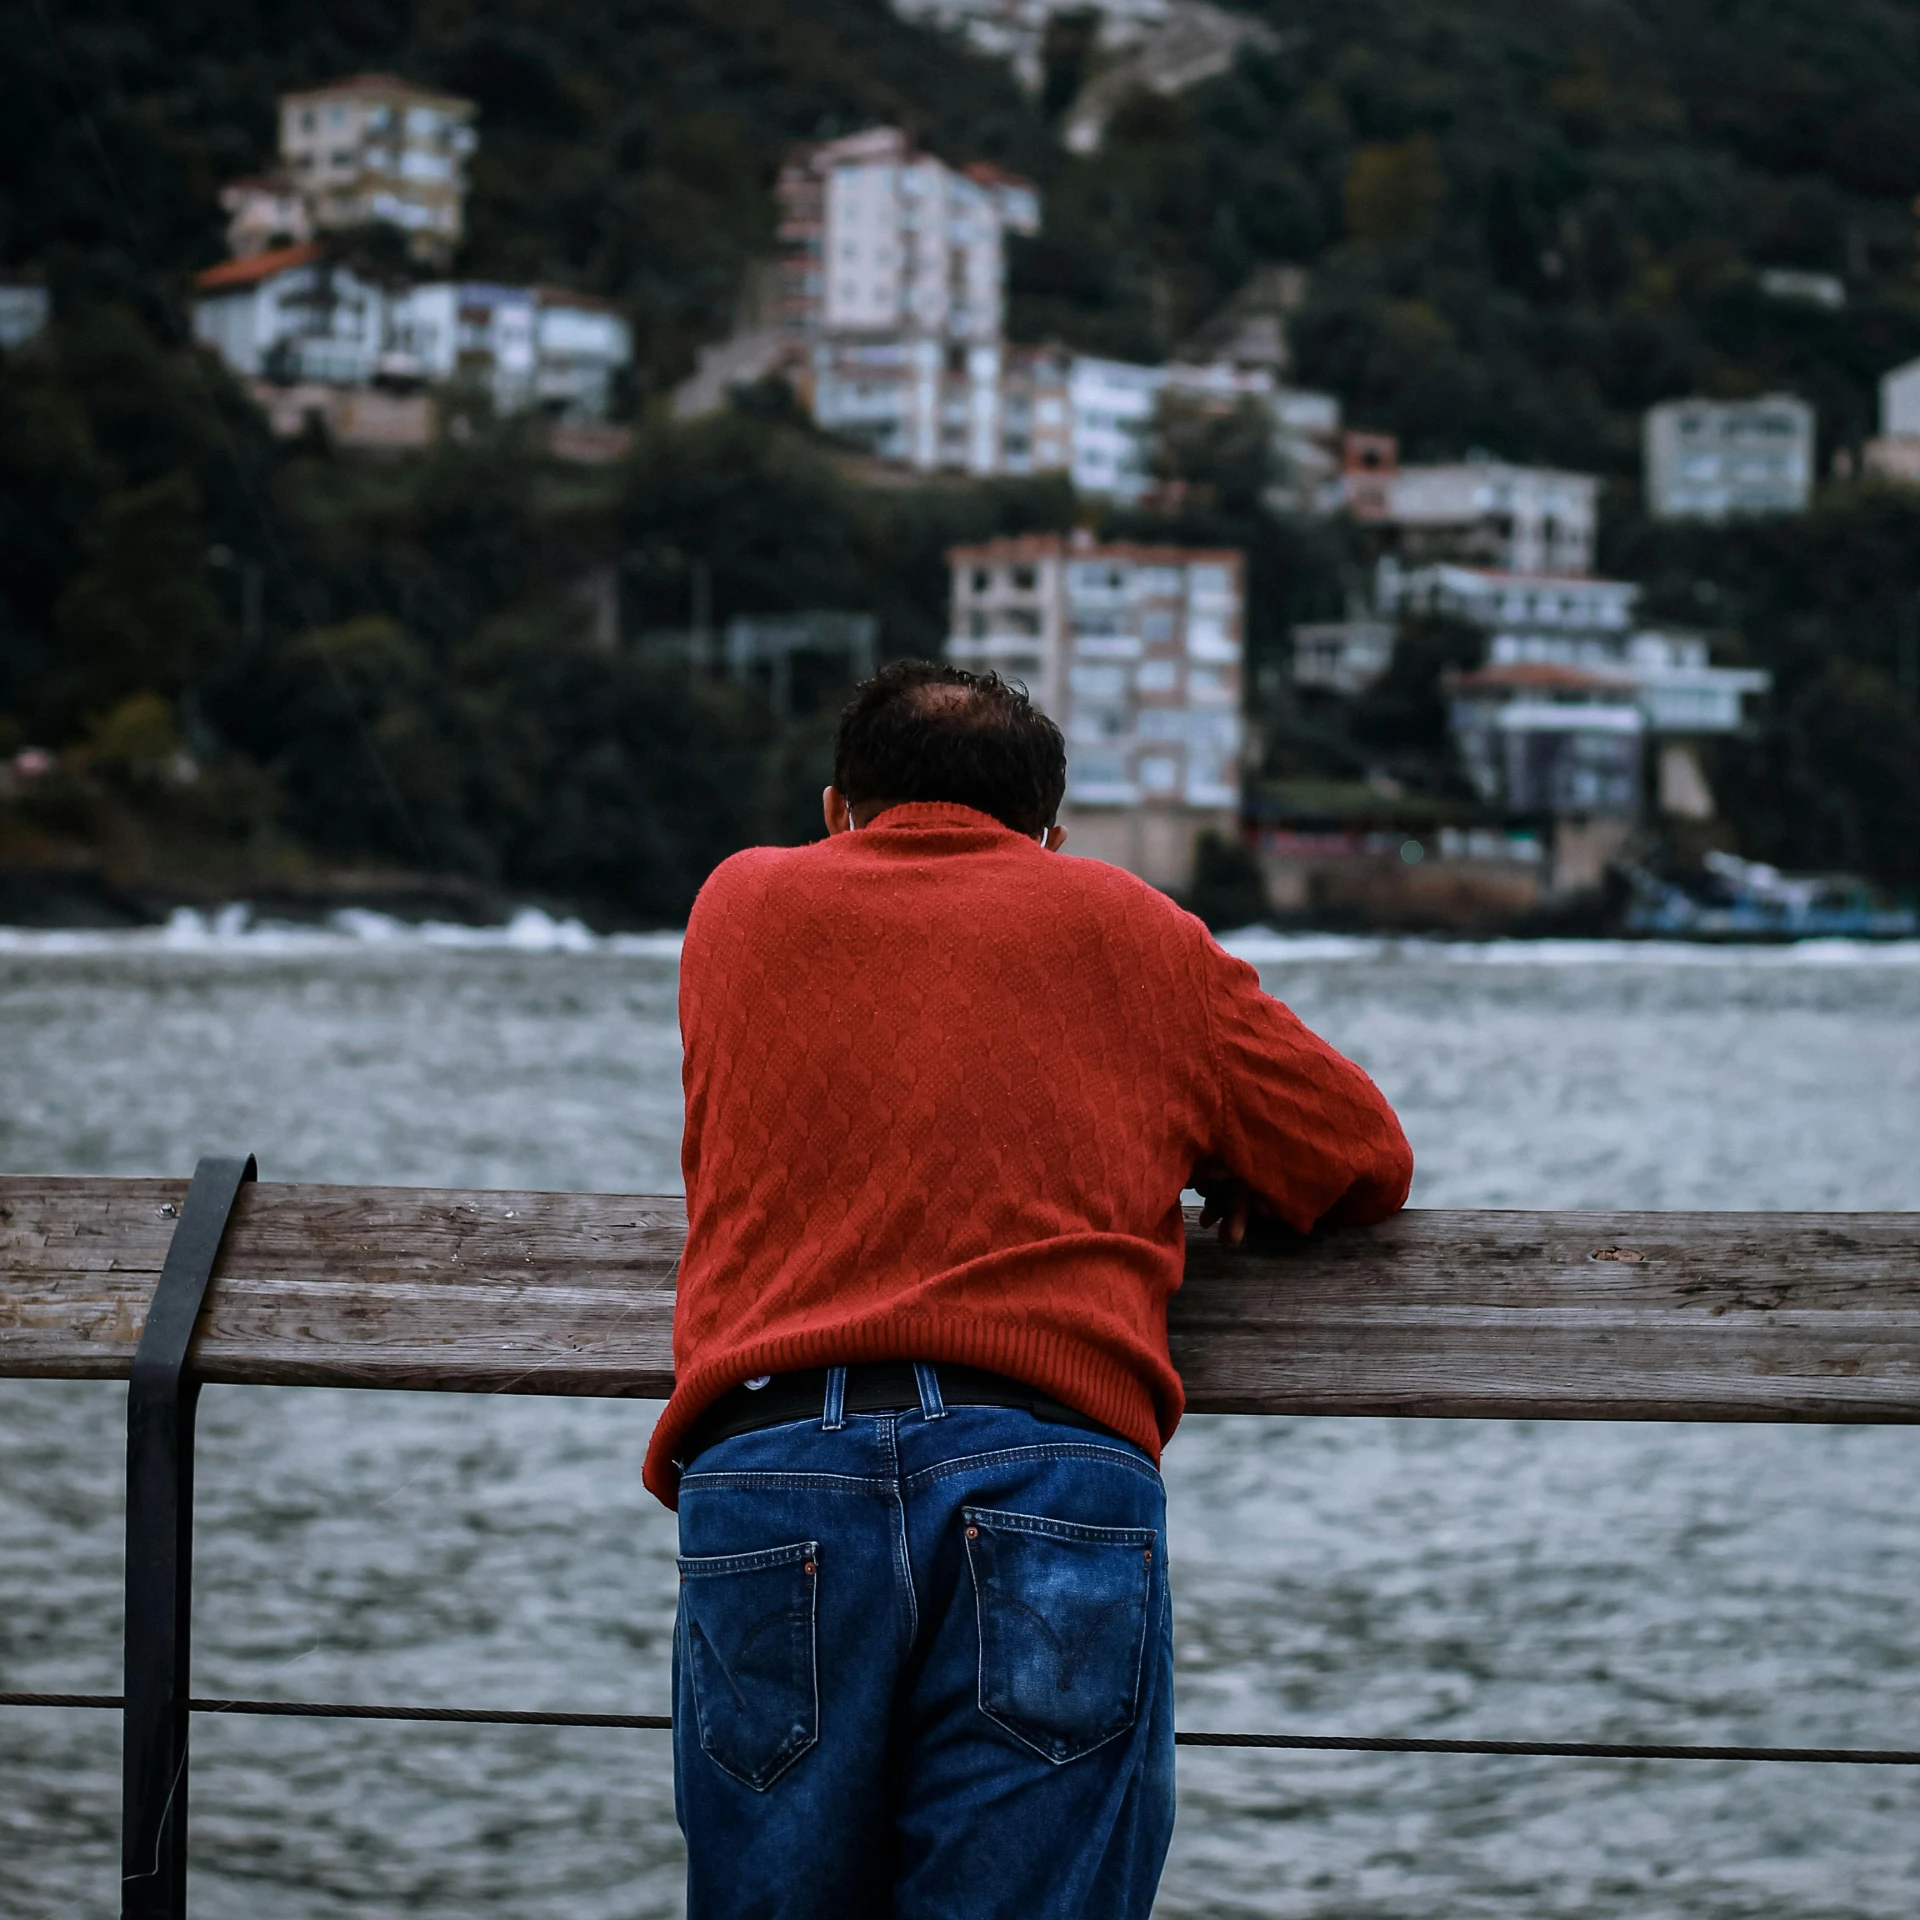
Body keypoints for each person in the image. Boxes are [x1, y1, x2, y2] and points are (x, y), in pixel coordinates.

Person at [644, 660, 1413, 1919]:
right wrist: (1208, 1161)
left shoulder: (737, 906)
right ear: (1049, 836)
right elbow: (1359, 1155)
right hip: (1045, 1469)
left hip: (769, 1469)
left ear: (839, 810)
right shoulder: (1132, 931)